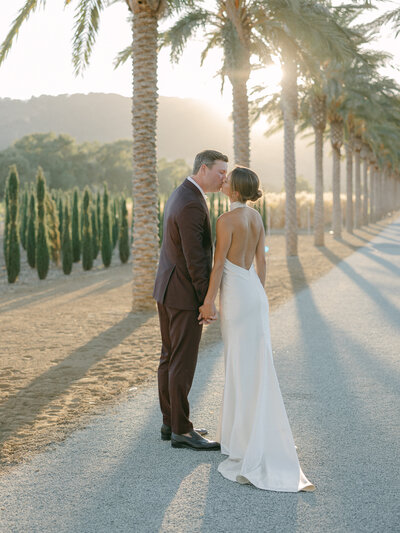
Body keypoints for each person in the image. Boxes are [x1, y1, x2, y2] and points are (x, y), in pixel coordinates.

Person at [199, 166, 315, 492]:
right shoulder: (256, 218)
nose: (223, 182)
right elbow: (262, 262)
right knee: (256, 366)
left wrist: (209, 302)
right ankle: (243, 434)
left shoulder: (225, 220)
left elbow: (219, 264)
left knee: (238, 363)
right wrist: (258, 293)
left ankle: (243, 441)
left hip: (236, 295)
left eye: (227, 181)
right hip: (253, 293)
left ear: (234, 191)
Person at [153, 149, 228, 450]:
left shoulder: (182, 193)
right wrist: (205, 301)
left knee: (169, 358)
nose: (225, 177)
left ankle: (171, 421)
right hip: (183, 294)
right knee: (181, 362)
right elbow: (195, 259)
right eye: (221, 171)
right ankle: (182, 430)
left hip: (168, 289)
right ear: (204, 169)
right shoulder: (191, 204)